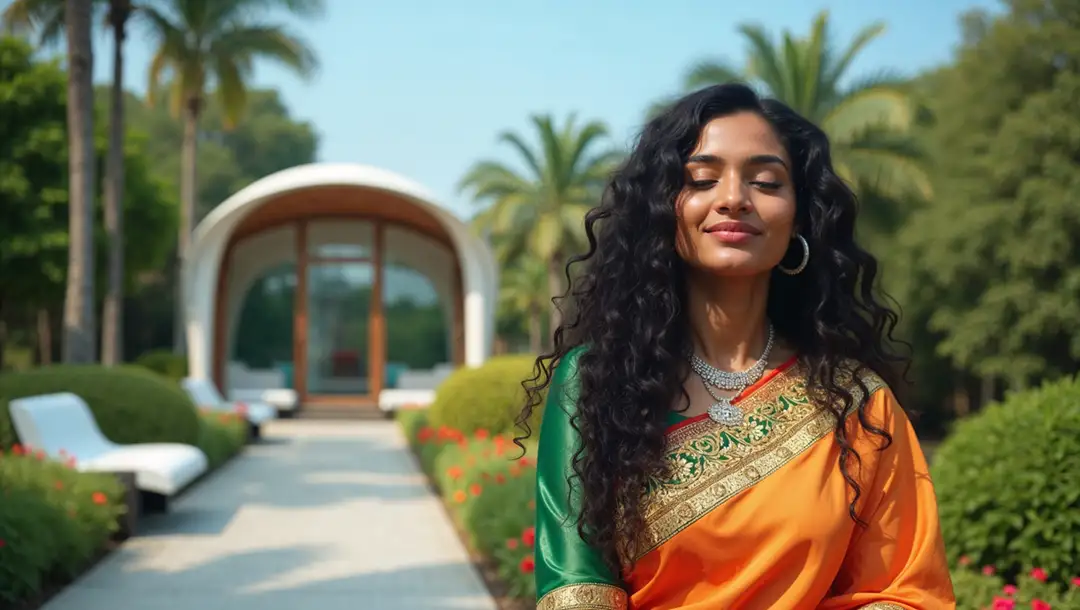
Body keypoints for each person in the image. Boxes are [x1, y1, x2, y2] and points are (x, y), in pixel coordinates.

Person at [519, 83, 956, 609]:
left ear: (799, 215)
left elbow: (902, 592)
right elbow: (576, 588)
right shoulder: (595, 383)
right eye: (701, 179)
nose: (733, 198)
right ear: (663, 209)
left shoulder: (858, 405)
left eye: (766, 182)